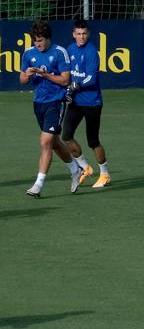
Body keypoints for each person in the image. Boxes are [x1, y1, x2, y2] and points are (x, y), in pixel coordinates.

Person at [19, 21, 81, 197]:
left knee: (45, 142)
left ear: (48, 38)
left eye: (40, 40)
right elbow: (22, 79)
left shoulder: (60, 52)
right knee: (53, 143)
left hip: (56, 101)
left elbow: (65, 80)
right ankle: (75, 170)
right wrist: (29, 74)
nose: (37, 44)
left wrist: (45, 74)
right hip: (39, 103)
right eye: (35, 41)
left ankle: (38, 185)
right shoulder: (29, 54)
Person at [63, 20, 110, 189]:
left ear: (88, 34)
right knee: (66, 136)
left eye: (84, 34)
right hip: (76, 101)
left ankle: (104, 174)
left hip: (92, 103)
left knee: (93, 141)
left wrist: (77, 85)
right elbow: (66, 73)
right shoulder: (69, 50)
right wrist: (67, 89)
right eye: (78, 33)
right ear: (74, 34)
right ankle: (85, 167)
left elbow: (92, 78)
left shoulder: (91, 52)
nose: (81, 37)